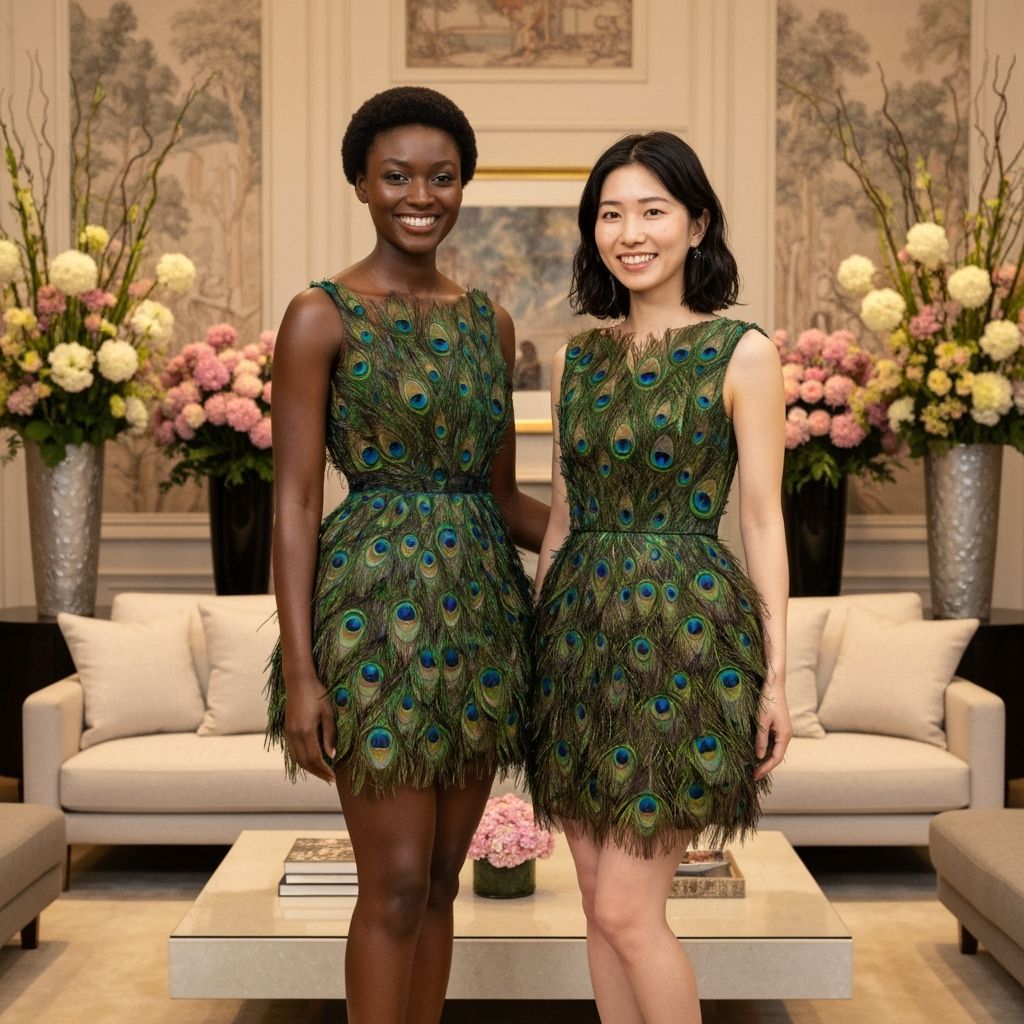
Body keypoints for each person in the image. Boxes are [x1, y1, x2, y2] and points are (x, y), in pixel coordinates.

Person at [266, 86, 547, 1024]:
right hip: (370, 620)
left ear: (463, 184)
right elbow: (298, 499)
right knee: (388, 883)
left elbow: (505, 497)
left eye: (442, 176)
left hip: (479, 623)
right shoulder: (320, 316)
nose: (420, 194)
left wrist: (623, 536)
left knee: (437, 882)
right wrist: (303, 673)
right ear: (361, 183)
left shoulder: (491, 325)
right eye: (396, 176)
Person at [529, 131, 792, 1024]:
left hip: (686, 640)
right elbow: (562, 517)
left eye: (652, 210)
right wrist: (535, 649)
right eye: (610, 213)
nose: (629, 232)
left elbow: (761, 519)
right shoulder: (577, 361)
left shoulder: (743, 353)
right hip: (577, 640)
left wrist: (777, 679)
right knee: (596, 908)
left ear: (696, 224)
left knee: (626, 909)